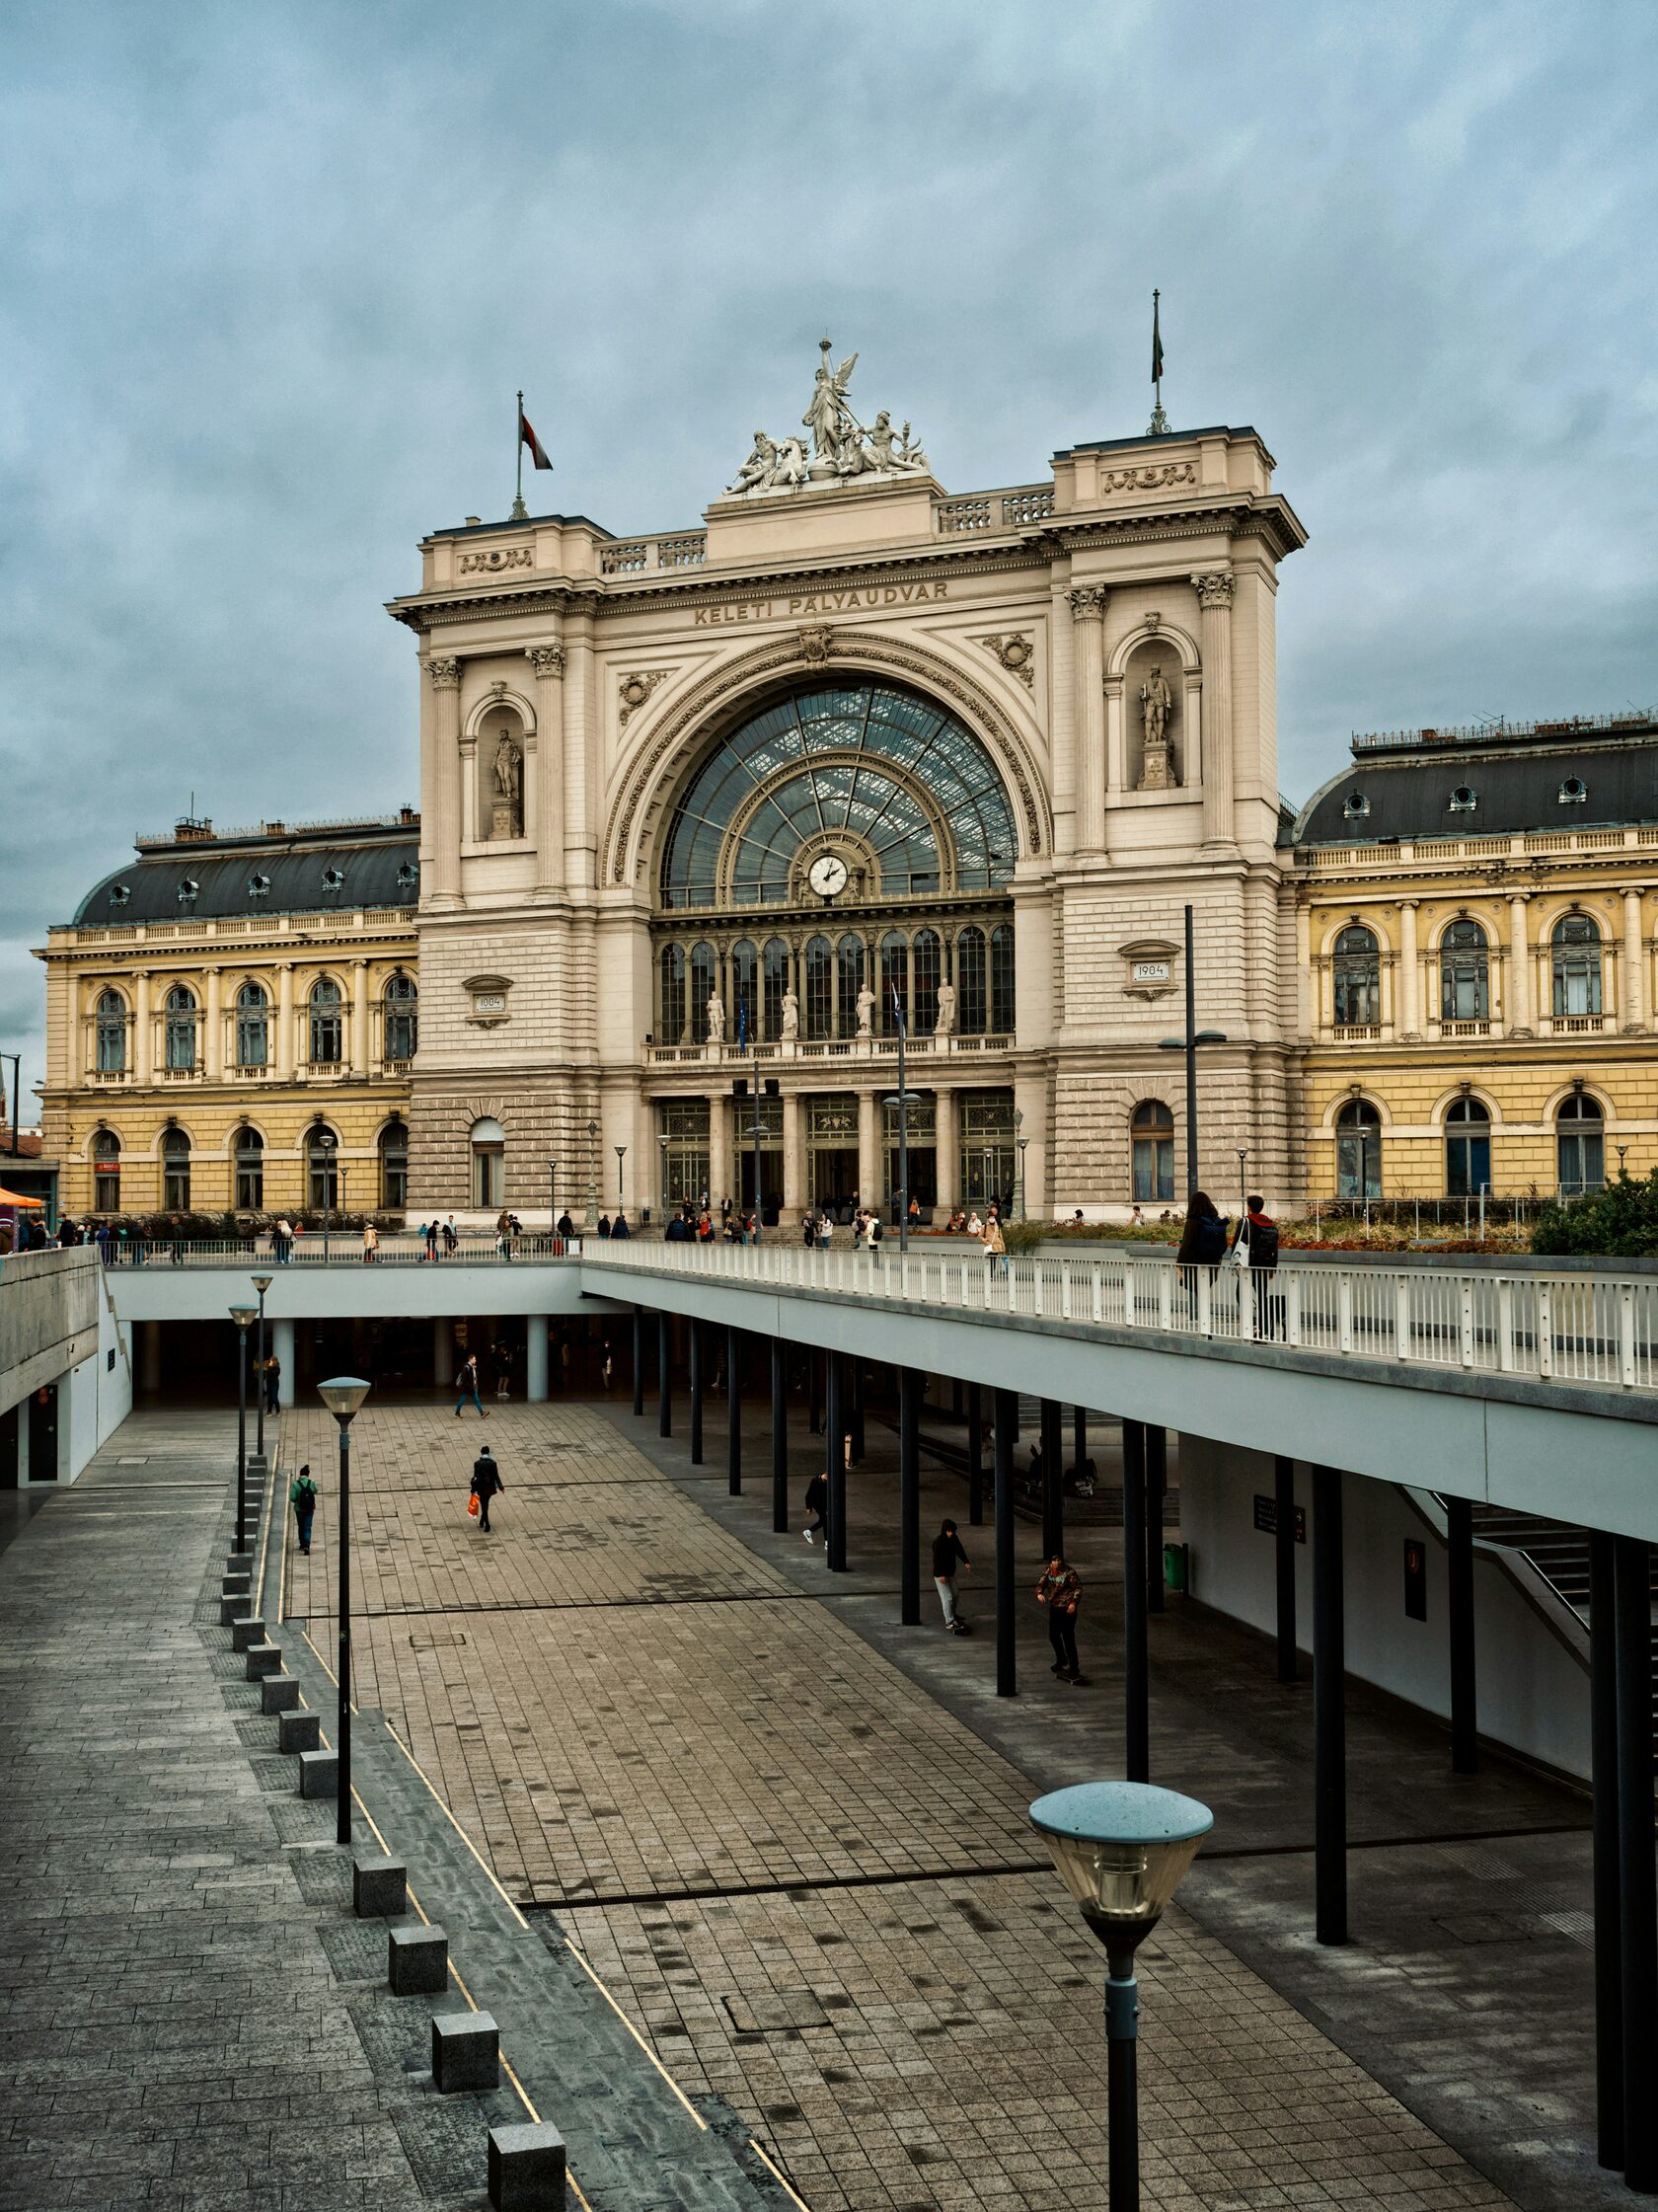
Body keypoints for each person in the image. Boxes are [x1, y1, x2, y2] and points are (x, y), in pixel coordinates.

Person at [1234, 1192, 1282, 1336]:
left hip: (1248, 1266)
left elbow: (1237, 1243)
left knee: (1240, 1294)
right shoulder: (1269, 1224)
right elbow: (1274, 1248)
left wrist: (1235, 1262)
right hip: (1264, 1267)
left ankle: (1253, 1323)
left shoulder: (1246, 1222)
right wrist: (1272, 1269)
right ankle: (1266, 1328)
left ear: (1249, 1207)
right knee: (1262, 1297)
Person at [1035, 1553, 1084, 1683]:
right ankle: (1061, 1658)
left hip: (1067, 1608)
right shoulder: (1048, 1570)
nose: (1056, 1563)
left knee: (1068, 1637)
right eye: (1054, 1561)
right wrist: (1039, 1593)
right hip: (1055, 1607)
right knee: (1053, 1635)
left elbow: (1078, 1588)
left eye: (1058, 1560)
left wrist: (1074, 1603)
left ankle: (1074, 1666)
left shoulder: (1069, 1572)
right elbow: (1041, 1583)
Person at [933, 1518, 972, 1633]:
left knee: (955, 1594)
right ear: (945, 1531)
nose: (951, 1534)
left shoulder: (954, 1539)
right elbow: (937, 1560)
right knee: (947, 1597)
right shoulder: (939, 1542)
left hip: (949, 1572)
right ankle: (949, 1621)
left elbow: (959, 1550)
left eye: (952, 1532)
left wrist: (966, 1561)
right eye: (949, 1532)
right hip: (940, 1574)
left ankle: (953, 1614)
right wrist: (941, 1574)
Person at [1176, 1190, 1229, 1270]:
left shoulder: (1193, 1221)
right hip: (1213, 1264)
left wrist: (1179, 1263)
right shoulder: (1216, 1220)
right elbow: (1224, 1243)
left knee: (1192, 1283)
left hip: (1194, 1265)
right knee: (1206, 1283)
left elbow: (1187, 1244)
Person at [470, 1445, 504, 1532]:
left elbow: (475, 1476)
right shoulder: (493, 1463)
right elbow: (496, 1476)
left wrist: (473, 1487)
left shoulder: (477, 1463)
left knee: (483, 1504)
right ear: (488, 1453)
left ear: (481, 1452)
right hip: (489, 1487)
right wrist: (501, 1487)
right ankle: (482, 1521)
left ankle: (487, 1524)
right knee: (485, 1503)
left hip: (480, 1487)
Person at [289, 1463, 319, 1556]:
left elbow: (292, 1497)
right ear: (308, 1474)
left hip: (299, 1509)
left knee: (300, 1525)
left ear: (300, 1474)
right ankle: (307, 1544)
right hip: (310, 1508)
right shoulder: (311, 1482)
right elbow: (315, 1491)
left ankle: (302, 1543)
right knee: (307, 1526)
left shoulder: (295, 1484)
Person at [454, 1352, 489, 1418]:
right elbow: (464, 1378)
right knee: (463, 1400)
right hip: (468, 1388)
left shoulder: (472, 1367)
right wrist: (468, 1386)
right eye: (474, 1359)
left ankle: (482, 1413)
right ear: (470, 1359)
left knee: (474, 1400)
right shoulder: (467, 1367)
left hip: (472, 1387)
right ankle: (481, 1413)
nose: (475, 1360)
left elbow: (474, 1377)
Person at [801, 1466, 829, 1545]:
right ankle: (827, 1542)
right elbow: (808, 1494)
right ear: (825, 1475)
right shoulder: (815, 1480)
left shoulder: (828, 1482)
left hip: (825, 1503)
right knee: (825, 1520)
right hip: (817, 1503)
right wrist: (808, 1507)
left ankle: (809, 1532)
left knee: (823, 1520)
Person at [981, 1211, 1007, 1277]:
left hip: (997, 1246)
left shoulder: (997, 1227)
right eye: (990, 1217)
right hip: (989, 1246)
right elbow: (980, 1236)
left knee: (994, 1260)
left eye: (993, 1217)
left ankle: (991, 1275)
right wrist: (985, 1240)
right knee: (990, 1260)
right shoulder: (985, 1226)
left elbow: (1000, 1237)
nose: (992, 1218)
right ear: (988, 1218)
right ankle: (990, 1274)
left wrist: (1003, 1247)